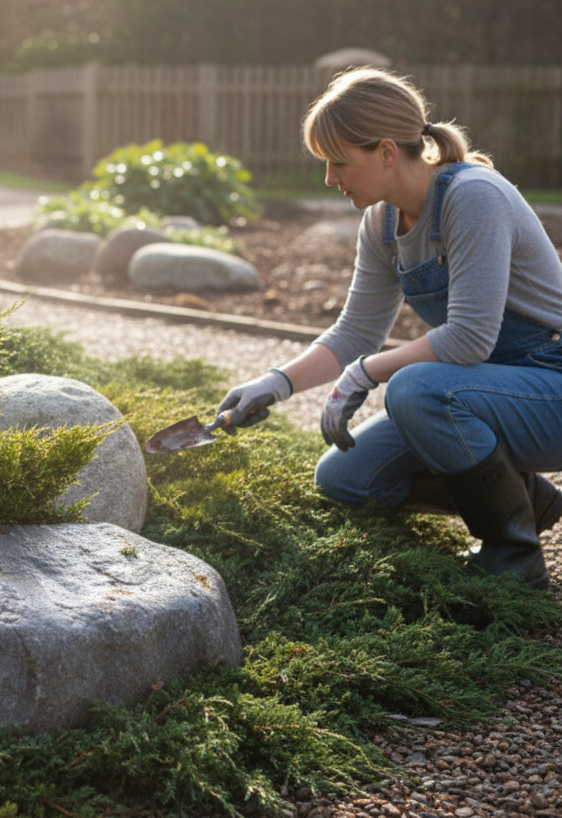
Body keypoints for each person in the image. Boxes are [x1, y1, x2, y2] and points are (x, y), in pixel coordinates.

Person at [218, 67, 562, 589]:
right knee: (344, 478)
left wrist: (364, 375)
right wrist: (275, 383)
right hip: (493, 388)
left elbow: (469, 339)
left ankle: (513, 559)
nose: (330, 179)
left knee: (416, 389)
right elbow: (356, 331)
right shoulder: (381, 223)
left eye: (338, 162)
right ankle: (522, 498)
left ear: (384, 152)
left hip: (550, 384)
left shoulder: (474, 197)